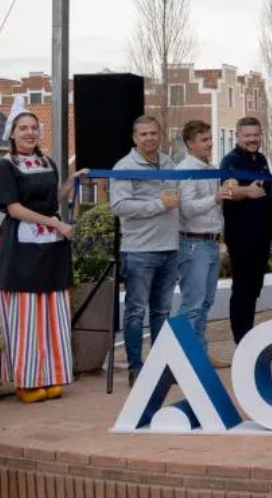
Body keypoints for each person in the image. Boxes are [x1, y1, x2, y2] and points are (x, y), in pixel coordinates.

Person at [0, 108, 85, 402]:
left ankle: (51, 375)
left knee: (51, 311)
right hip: (20, 248)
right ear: (12, 133)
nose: (30, 133)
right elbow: (13, 207)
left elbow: (50, 200)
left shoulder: (47, 162)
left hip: (50, 247)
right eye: (23, 128)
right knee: (26, 314)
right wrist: (55, 223)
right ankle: (26, 379)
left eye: (34, 127)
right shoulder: (4, 167)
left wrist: (70, 184)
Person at [110, 115, 181, 385]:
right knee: (136, 311)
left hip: (169, 248)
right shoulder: (125, 166)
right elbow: (120, 207)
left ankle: (160, 365)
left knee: (162, 312)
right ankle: (136, 367)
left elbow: (177, 197)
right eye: (143, 134)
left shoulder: (169, 162)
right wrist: (158, 204)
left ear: (159, 134)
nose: (149, 138)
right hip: (140, 251)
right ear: (134, 138)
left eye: (153, 133)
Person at [175, 120, 231, 367]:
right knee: (193, 305)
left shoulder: (211, 168)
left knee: (205, 302)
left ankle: (199, 354)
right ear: (190, 144)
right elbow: (187, 209)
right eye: (205, 140)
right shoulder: (186, 169)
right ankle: (183, 358)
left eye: (210, 139)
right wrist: (216, 197)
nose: (210, 144)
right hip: (193, 244)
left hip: (209, 243)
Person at [219, 116, 272, 349]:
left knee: (253, 289)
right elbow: (228, 190)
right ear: (238, 136)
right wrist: (246, 192)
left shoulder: (261, 159)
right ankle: (243, 343)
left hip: (261, 235)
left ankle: (249, 341)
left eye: (256, 135)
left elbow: (268, 196)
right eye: (247, 135)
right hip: (241, 236)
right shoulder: (230, 161)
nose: (252, 139)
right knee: (242, 289)